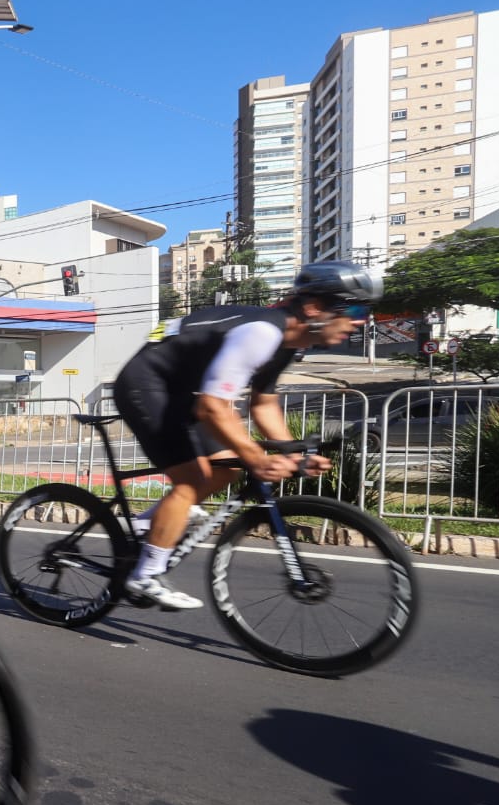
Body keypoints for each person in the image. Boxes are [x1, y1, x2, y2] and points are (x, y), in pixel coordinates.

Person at [113, 260, 383, 610]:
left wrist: (289, 453)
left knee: (228, 467)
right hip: (146, 382)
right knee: (193, 480)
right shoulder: (262, 333)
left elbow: (264, 403)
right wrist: (258, 457)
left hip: (184, 390)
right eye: (355, 308)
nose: (360, 320)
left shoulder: (288, 341)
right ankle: (145, 574)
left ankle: (144, 525)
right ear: (314, 307)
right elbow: (213, 408)